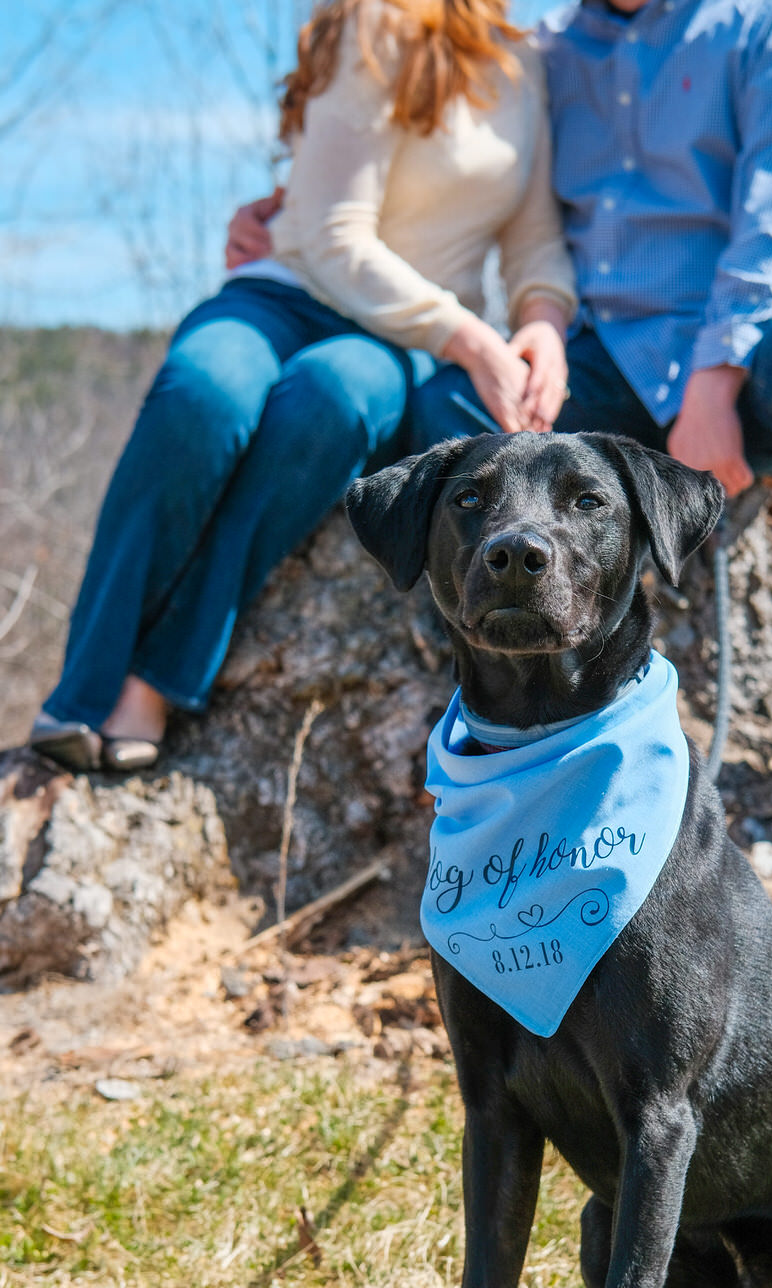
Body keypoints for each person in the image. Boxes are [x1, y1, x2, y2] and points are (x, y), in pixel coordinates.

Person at [30, 0, 576, 772]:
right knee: (201, 395)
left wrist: (542, 321)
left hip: (392, 339)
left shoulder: (524, 64)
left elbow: (534, 241)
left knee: (331, 400)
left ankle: (155, 682)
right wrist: (472, 340)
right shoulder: (375, 22)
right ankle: (81, 690)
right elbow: (332, 234)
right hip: (289, 292)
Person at [413, 0, 772, 797]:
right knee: (454, 412)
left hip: (747, 347)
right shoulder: (548, 49)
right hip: (599, 357)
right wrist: (289, 213)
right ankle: (506, 685)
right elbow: (437, 150)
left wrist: (715, 379)